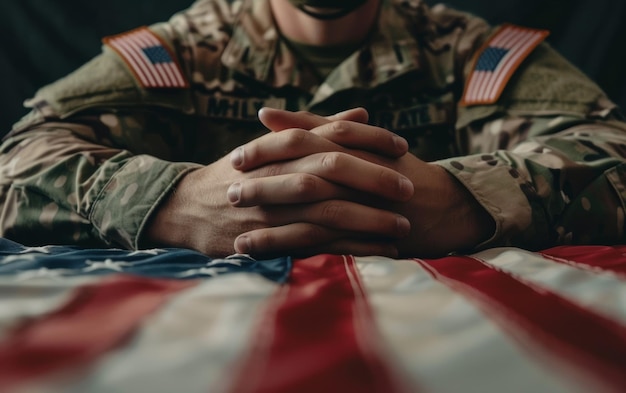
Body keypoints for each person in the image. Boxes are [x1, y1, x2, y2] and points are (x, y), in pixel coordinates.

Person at [0, 0, 624, 259]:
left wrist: (465, 200)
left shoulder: (469, 51)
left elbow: (613, 151)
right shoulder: (184, 49)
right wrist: (171, 202)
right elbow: (19, 158)